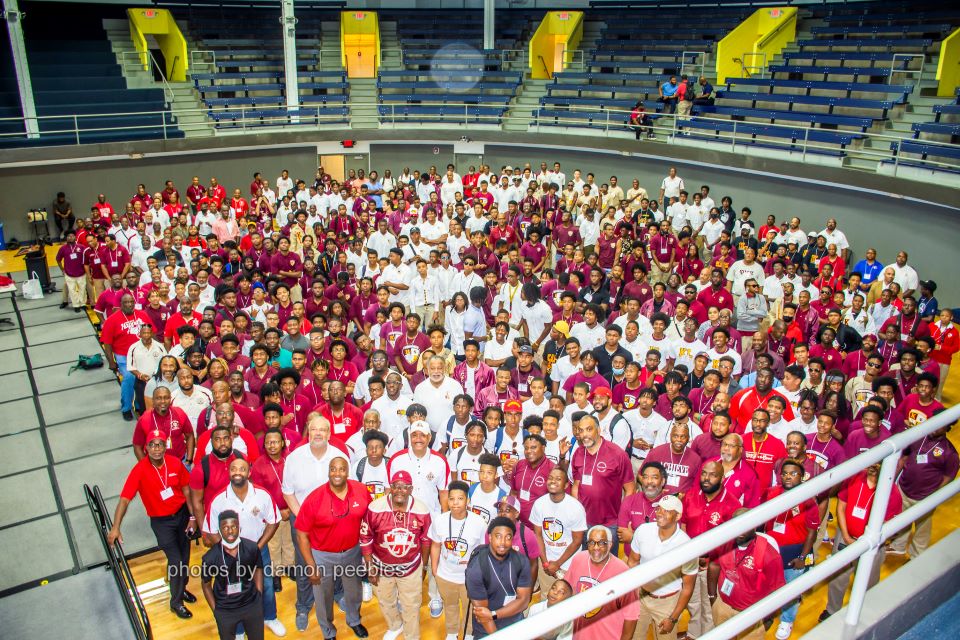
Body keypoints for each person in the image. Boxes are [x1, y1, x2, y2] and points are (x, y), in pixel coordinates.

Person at [108, 430, 199, 619]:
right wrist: (116, 527)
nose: (157, 449)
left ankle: (181, 589)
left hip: (182, 516)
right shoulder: (139, 470)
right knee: (176, 561)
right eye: (152, 445)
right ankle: (176, 603)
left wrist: (192, 517)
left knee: (185, 557)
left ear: (166, 446)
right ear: (146, 448)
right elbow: (124, 500)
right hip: (162, 523)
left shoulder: (174, 463)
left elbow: (186, 489)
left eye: (160, 444)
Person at [280, 415, 349, 631]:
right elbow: (287, 492)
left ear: (329, 434)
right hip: (301, 518)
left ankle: (338, 592)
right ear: (308, 433)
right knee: (304, 563)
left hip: (332, 520)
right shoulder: (294, 458)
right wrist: (303, 517)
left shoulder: (339, 456)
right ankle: (303, 605)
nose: (318, 433)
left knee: (336, 558)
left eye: (322, 430)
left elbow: (348, 486)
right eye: (313, 429)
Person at [202, 457, 284, 637]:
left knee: (267, 585)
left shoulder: (262, 494)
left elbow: (273, 522)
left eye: (242, 469)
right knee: (233, 590)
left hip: (258, 549)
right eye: (233, 469)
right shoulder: (218, 500)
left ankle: (269, 617)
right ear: (229, 472)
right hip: (229, 555)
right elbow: (211, 530)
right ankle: (238, 629)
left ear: (249, 472)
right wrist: (228, 550)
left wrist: (256, 548)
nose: (237, 472)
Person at [294, 457, 371, 638]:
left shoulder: (360, 490)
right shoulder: (314, 498)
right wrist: (311, 566)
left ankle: (354, 620)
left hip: (352, 551)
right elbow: (301, 535)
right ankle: (328, 631)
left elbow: (369, 519)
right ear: (328, 471)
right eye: (333, 469)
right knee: (323, 596)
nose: (337, 473)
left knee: (354, 591)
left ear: (348, 471)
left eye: (341, 469)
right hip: (323, 555)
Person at [822, 463, 903, 621]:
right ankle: (831, 611)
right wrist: (845, 536)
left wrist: (867, 543)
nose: (875, 467)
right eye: (874, 463)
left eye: (880, 464)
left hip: (872, 546)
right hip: (845, 537)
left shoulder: (892, 492)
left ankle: (863, 612)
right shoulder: (855, 478)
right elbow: (841, 507)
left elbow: (890, 526)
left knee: (868, 582)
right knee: (838, 578)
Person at [361, 470, 432, 640]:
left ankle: (411, 636)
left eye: (404, 487)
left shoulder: (421, 510)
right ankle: (395, 625)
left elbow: (426, 540)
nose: (399, 490)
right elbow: (365, 537)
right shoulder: (375, 508)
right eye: (395, 486)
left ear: (411, 489)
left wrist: (424, 565)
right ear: (390, 488)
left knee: (411, 605)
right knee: (386, 601)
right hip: (381, 567)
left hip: (410, 567)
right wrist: (369, 566)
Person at [626, 495, 698, 640]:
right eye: (659, 509)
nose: (660, 513)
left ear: (677, 516)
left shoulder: (686, 545)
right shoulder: (643, 531)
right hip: (641, 597)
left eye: (666, 511)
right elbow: (633, 562)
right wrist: (632, 594)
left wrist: (673, 618)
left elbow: (688, 587)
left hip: (667, 603)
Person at [708, 508, 785, 640]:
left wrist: (768, 618)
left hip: (751, 616)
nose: (739, 530)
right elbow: (714, 566)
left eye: (745, 525)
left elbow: (777, 590)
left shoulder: (769, 554)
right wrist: (713, 598)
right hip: (723, 607)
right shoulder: (724, 543)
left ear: (754, 526)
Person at [888, 416, 958, 558]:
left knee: (922, 528)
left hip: (925, 496)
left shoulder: (950, 452)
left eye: (940, 426)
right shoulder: (919, 436)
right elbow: (905, 457)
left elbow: (949, 476)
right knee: (901, 520)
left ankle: (917, 556)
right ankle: (898, 546)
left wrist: (934, 495)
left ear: (947, 429)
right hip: (904, 487)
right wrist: (894, 480)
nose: (935, 427)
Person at [764, 459, 818, 640]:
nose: (788, 476)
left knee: (791, 589)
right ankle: (768, 613)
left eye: (793, 473)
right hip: (772, 547)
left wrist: (803, 557)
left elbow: (812, 533)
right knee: (770, 586)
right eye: (785, 473)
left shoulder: (808, 500)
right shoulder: (771, 494)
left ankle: (787, 620)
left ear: (802, 477)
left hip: (795, 550)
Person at [430, 480, 488, 640]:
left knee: (471, 609)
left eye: (460, 498)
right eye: (452, 499)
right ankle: (452, 632)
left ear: (468, 501)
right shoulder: (440, 520)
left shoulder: (479, 523)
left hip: (468, 578)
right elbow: (435, 545)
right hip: (445, 575)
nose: (455, 503)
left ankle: (469, 633)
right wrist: (435, 570)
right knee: (450, 606)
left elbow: (483, 551)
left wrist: (476, 570)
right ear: (447, 500)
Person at [570, 414, 635, 554]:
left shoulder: (617, 454)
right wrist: (576, 513)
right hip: (584, 522)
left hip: (610, 522)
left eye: (589, 429)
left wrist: (622, 520)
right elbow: (576, 485)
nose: (584, 434)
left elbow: (630, 489)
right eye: (581, 430)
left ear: (598, 430)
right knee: (587, 561)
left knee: (609, 565)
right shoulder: (578, 453)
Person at [563, 525, 640, 639]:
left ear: (610, 545)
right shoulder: (578, 559)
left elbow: (631, 616)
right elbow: (567, 591)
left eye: (602, 543)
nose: (596, 547)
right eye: (591, 542)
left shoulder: (622, 572)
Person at [201, 510, 266, 640]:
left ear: (239, 528)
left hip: (251, 604)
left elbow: (258, 568)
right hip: (225, 609)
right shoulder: (210, 558)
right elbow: (206, 585)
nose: (230, 531)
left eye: (234, 527)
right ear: (219, 530)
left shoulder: (251, 548)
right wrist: (216, 611)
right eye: (225, 527)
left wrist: (258, 593)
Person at [465, 516, 534, 638]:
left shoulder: (521, 561)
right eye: (498, 536)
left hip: (515, 623)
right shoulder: (477, 568)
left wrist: (494, 614)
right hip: (487, 629)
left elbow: (523, 601)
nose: (503, 542)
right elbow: (482, 614)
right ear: (490, 537)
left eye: (508, 537)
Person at [530, 467, 588, 594]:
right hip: (546, 561)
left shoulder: (575, 508)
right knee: (546, 596)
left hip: (568, 563)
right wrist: (545, 563)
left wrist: (557, 564)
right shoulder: (539, 504)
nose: (553, 481)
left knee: (568, 599)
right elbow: (538, 535)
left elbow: (577, 541)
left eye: (558, 479)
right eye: (550, 478)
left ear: (566, 484)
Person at [100, 293, 153, 420]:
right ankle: (126, 408)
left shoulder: (142, 315)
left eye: (131, 302)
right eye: (126, 303)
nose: (129, 305)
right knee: (129, 378)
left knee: (146, 377)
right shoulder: (112, 320)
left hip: (143, 354)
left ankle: (140, 404)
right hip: (124, 357)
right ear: (120, 304)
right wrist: (111, 362)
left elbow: (152, 333)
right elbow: (107, 344)